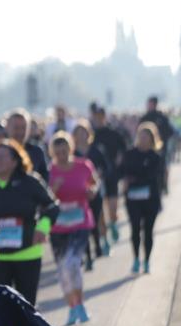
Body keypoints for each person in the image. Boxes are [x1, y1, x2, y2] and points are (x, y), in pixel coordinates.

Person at [0, 140, 59, 307]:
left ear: (15, 161)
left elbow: (52, 206)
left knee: (27, 306)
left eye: (2, 157)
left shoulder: (30, 182)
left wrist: (43, 227)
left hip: (28, 253)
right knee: (2, 307)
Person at [48, 132, 99, 325]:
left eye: (65, 151)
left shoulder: (83, 165)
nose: (61, 155)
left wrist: (92, 191)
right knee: (62, 270)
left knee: (73, 264)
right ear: (53, 153)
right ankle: (72, 307)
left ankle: (81, 305)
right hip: (59, 226)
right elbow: (45, 198)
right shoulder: (50, 171)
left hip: (80, 222)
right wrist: (53, 189)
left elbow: (94, 184)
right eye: (57, 152)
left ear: (71, 149)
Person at [119, 122, 166, 274]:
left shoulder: (156, 157)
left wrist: (133, 180)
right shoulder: (130, 154)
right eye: (141, 136)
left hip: (150, 198)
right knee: (135, 229)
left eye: (147, 137)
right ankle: (136, 259)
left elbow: (153, 177)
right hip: (132, 199)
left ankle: (147, 261)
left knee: (148, 231)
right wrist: (126, 180)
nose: (143, 139)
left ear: (152, 139)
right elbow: (122, 171)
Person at [0, 110, 49, 189]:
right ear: (7, 128)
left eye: (23, 128)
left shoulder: (36, 152)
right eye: (16, 128)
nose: (20, 132)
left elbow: (45, 182)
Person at [71, 120, 112, 263]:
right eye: (78, 133)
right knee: (83, 223)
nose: (81, 135)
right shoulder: (72, 153)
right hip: (79, 194)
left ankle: (99, 244)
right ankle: (87, 254)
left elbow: (107, 167)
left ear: (88, 134)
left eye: (84, 132)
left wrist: (100, 174)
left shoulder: (96, 150)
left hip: (95, 190)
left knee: (95, 219)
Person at [91, 106, 127, 243]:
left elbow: (123, 148)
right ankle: (104, 239)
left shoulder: (113, 133)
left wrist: (119, 158)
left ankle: (113, 224)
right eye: (96, 117)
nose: (98, 119)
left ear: (104, 117)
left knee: (112, 209)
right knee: (100, 212)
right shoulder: (91, 135)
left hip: (112, 175)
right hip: (97, 177)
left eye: (100, 116)